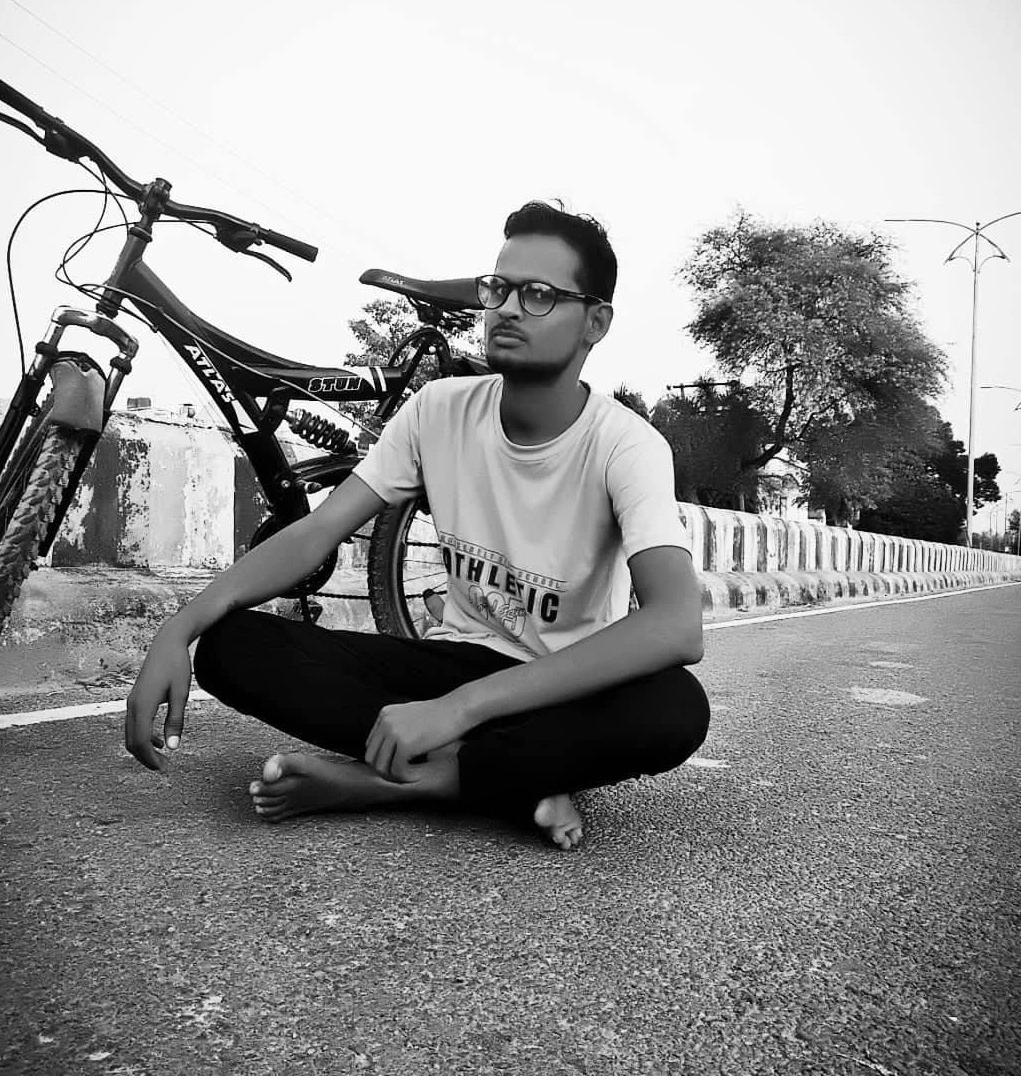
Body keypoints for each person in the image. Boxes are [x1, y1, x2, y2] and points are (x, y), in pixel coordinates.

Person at [125, 201, 710, 850]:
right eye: (499, 288)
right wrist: (179, 627)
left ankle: (404, 783)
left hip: (561, 687)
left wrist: (457, 711)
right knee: (232, 646)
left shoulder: (626, 445)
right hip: (455, 660)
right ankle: (514, 777)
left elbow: (676, 624)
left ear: (595, 322)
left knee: (676, 707)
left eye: (540, 295)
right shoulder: (438, 410)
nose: (508, 309)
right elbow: (318, 532)